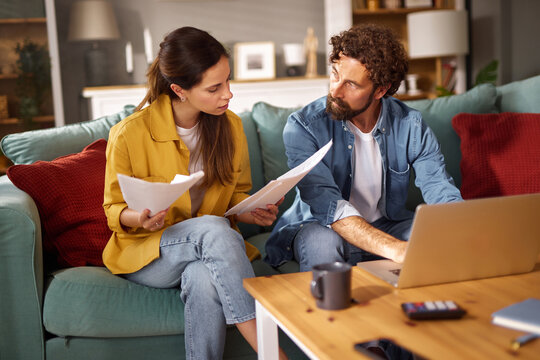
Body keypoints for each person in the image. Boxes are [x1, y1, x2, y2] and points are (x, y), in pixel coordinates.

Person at [102, 27, 286, 360]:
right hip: (149, 252)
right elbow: (113, 209)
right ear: (179, 90)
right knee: (214, 230)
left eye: (228, 81)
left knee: (202, 277)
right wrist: (140, 218)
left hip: (208, 246)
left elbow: (233, 199)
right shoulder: (128, 134)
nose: (228, 95)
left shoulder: (230, 127)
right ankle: (270, 352)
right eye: (214, 88)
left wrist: (251, 211)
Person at [265, 24, 463, 272]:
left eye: (352, 85)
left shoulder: (410, 124)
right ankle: (326, 312)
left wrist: (459, 229)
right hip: (320, 227)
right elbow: (328, 206)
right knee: (322, 242)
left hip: (387, 224)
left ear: (380, 90)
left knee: (440, 237)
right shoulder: (303, 126)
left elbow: (439, 187)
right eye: (335, 73)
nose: (335, 90)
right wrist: (394, 249)